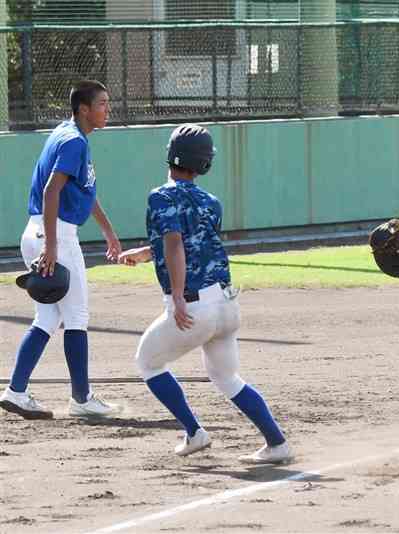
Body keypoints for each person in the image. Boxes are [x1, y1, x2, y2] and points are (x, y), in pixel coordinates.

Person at [117, 124, 292, 463]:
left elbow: (174, 242)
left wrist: (179, 296)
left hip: (195, 306)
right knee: (226, 377)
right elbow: (191, 242)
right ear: (204, 163)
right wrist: (144, 252)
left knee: (148, 363)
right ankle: (277, 443)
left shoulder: (160, 195)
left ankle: (194, 432)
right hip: (227, 304)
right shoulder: (212, 202)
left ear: (170, 154)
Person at [0, 80, 121, 420]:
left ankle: (16, 392)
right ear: (84, 109)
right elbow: (51, 191)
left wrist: (108, 232)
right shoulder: (73, 142)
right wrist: (52, 246)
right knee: (77, 317)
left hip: (39, 232)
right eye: (102, 104)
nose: (106, 109)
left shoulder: (68, 134)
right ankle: (82, 399)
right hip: (56, 236)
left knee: (49, 316)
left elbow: (84, 192)